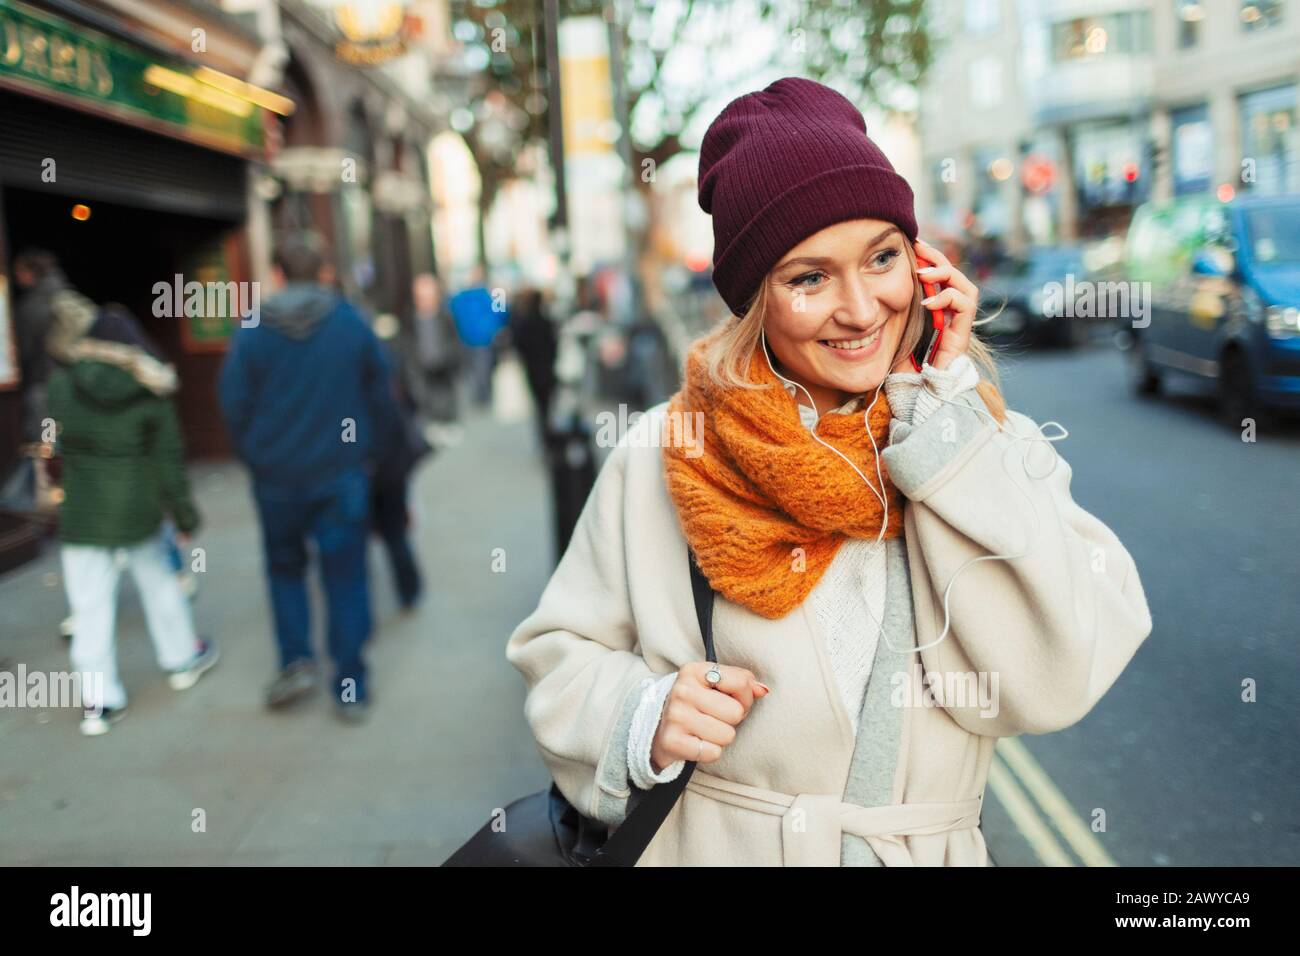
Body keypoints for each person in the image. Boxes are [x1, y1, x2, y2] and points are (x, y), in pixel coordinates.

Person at [504, 77, 1153, 866]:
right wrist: (641, 717)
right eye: (808, 278)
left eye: (882, 258)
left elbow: (1053, 676)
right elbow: (557, 652)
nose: (860, 308)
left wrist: (944, 421)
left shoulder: (982, 442)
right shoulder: (665, 448)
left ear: (922, 267)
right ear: (755, 301)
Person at [218, 233, 400, 723]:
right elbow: (383, 395)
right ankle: (350, 684)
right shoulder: (349, 322)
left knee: (284, 568)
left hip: (277, 477)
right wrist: (373, 456)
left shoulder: (252, 327)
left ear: (276, 273)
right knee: (345, 575)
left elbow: (233, 404)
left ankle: (295, 661)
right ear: (322, 271)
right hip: (342, 474)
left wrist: (257, 456)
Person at [47, 304, 216, 736]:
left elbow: (52, 441)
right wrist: (184, 515)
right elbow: (168, 462)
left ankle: (99, 703)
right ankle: (181, 660)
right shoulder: (149, 390)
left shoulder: (62, 387)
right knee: (160, 587)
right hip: (138, 511)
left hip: (83, 515)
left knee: (89, 608)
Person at [506, 285, 558, 445]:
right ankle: (547, 431)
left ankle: (544, 432)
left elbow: (519, 345)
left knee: (539, 404)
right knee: (546, 404)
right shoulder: (546, 322)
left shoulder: (525, 323)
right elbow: (554, 346)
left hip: (533, 369)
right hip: (546, 369)